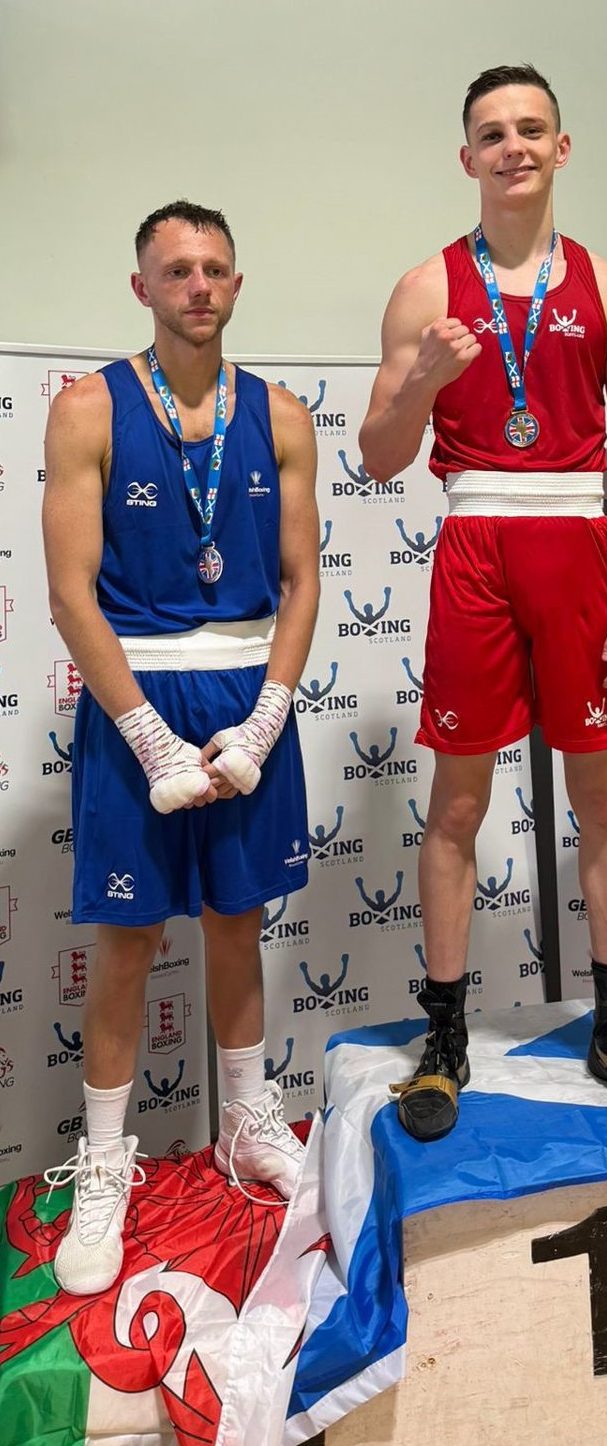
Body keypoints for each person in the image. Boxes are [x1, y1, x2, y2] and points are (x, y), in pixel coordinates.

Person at [359, 64, 607, 1141]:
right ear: (467, 158)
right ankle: (444, 1042)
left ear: (562, 146)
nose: (514, 147)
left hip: (580, 547)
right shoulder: (424, 287)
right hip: (476, 541)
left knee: (605, 805)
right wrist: (421, 382)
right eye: (492, 133)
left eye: (531, 129)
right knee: (456, 807)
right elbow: (378, 453)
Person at [41, 200, 320, 1293]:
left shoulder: (285, 414)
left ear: (237, 286)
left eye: (214, 269)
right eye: (176, 269)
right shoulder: (86, 408)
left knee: (237, 921)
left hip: (247, 690)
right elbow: (70, 593)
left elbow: (301, 582)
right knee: (124, 942)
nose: (197, 285)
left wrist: (264, 719)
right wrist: (150, 737)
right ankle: (105, 1163)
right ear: (142, 287)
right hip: (135, 699)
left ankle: (249, 1123)